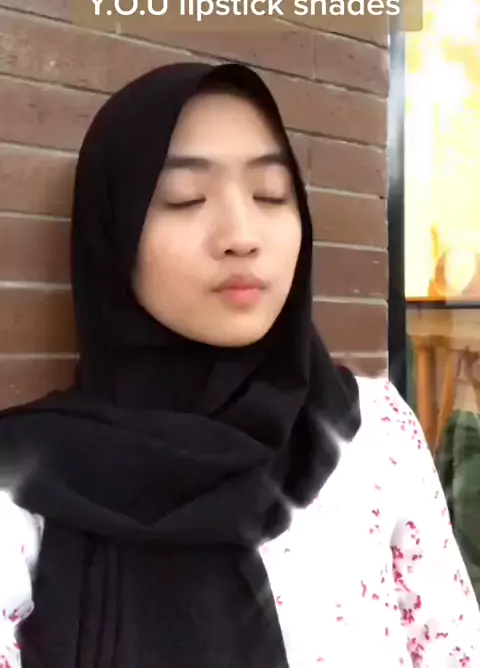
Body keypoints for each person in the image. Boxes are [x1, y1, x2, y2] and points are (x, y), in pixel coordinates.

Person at [0, 61, 478, 668]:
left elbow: (453, 648)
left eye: (271, 194)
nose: (242, 234)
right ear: (112, 233)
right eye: (186, 199)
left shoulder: (371, 431)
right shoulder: (22, 489)